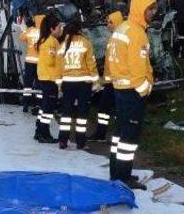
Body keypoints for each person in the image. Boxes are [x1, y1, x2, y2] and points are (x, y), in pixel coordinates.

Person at [106, 0, 156, 189]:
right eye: (149, 9)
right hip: (132, 92)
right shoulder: (136, 33)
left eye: (154, 9)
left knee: (119, 134)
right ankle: (123, 177)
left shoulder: (123, 28)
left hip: (120, 89)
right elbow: (138, 70)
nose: (153, 12)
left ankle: (117, 172)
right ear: (139, 9)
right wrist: (145, 90)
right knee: (129, 138)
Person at [56, 20, 99, 150]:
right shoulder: (86, 43)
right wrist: (96, 81)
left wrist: (59, 84)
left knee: (66, 112)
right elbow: (91, 64)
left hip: (67, 83)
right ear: (80, 30)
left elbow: (58, 66)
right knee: (82, 114)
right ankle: (81, 142)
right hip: (83, 83)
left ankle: (63, 140)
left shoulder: (63, 45)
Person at [91, 9, 125, 142]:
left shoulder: (119, 39)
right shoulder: (113, 38)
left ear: (117, 23)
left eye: (110, 23)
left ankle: (119, 135)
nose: (107, 25)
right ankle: (100, 134)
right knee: (104, 108)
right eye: (107, 23)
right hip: (110, 82)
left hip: (117, 82)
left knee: (115, 110)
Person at [34, 15, 64, 143]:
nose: (61, 29)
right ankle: (44, 134)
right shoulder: (51, 42)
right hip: (50, 79)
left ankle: (39, 131)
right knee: (48, 109)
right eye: (59, 27)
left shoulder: (46, 40)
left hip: (45, 77)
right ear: (52, 29)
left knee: (44, 107)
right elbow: (50, 61)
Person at [19, 15, 44, 113]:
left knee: (28, 83)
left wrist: (26, 29)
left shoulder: (29, 31)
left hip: (29, 62)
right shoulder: (44, 32)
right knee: (39, 84)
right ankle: (39, 104)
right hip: (40, 62)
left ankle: (26, 103)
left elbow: (21, 37)